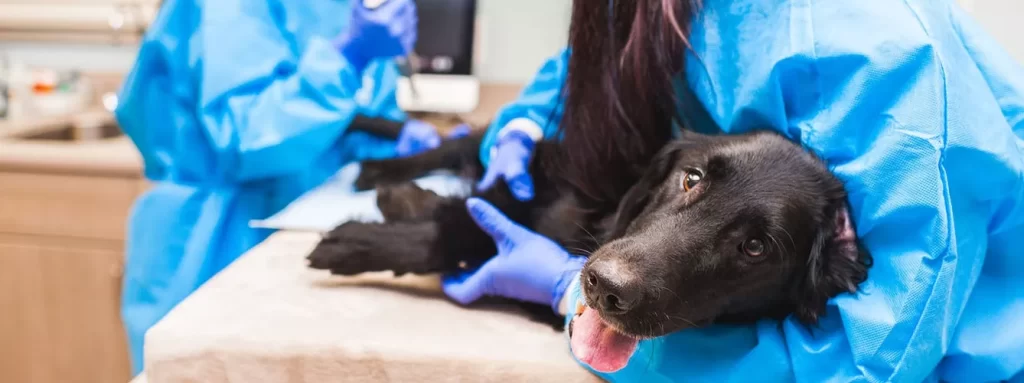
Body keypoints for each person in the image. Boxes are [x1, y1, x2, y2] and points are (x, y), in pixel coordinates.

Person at [442, 0, 1024, 381]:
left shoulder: (888, 57)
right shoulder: (684, 11)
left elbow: (872, 359)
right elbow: (607, 61)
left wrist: (569, 294)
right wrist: (522, 122)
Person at [114, 0, 457, 374]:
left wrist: (390, 139)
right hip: (215, 239)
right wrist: (350, 55)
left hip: (304, 231)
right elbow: (247, 137)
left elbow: (333, 123)